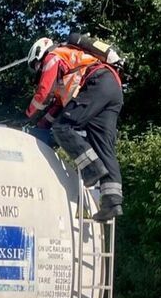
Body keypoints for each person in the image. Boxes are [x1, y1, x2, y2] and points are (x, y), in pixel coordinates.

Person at [24, 36, 125, 221]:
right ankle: (112, 201)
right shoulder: (68, 70)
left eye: (38, 69)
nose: (41, 72)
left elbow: (43, 91)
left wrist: (26, 115)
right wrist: (38, 125)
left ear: (39, 55)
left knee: (62, 128)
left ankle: (92, 169)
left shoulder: (52, 56)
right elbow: (56, 111)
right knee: (103, 145)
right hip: (113, 88)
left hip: (98, 81)